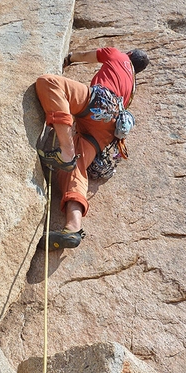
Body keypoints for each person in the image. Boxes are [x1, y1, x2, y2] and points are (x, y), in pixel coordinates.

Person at [35, 47, 149, 250]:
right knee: (74, 170)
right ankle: (73, 227)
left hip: (100, 105)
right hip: (107, 129)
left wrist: (69, 59)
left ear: (129, 54)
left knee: (49, 83)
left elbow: (87, 55)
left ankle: (66, 152)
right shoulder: (131, 87)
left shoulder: (118, 55)